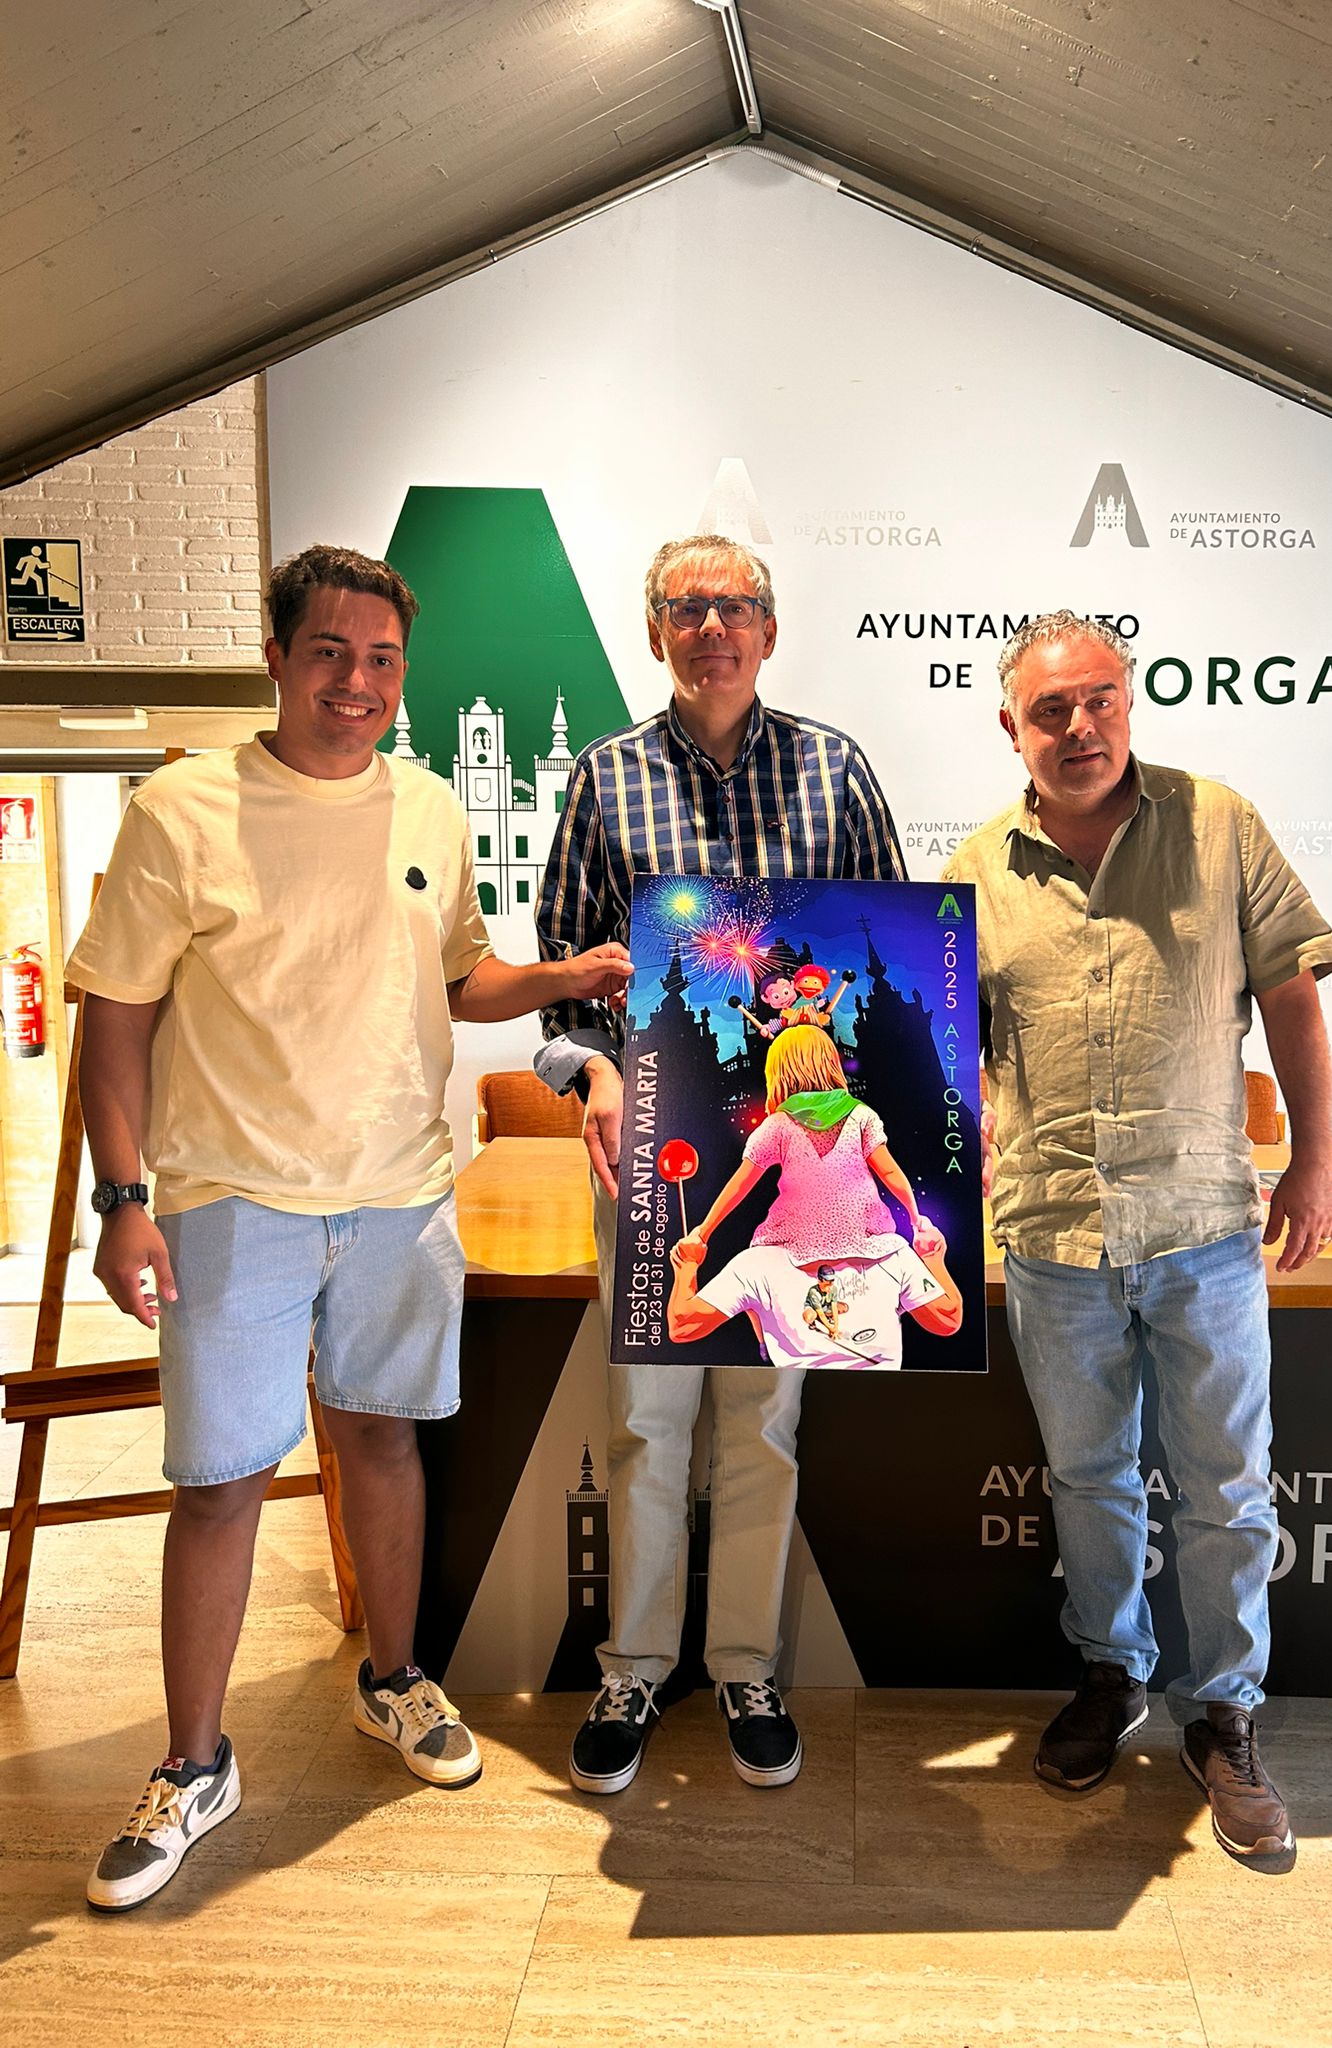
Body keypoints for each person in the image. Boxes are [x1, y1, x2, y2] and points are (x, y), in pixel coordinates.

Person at [68, 543, 629, 1912]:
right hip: (230, 1201)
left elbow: (460, 973)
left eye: (382, 660)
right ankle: (195, 1764)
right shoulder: (183, 811)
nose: (358, 682)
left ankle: (394, 1677)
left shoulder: (428, 809)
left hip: (398, 1192)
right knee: (218, 1486)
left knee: (383, 1435)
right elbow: (116, 1018)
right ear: (277, 656)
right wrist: (123, 1200)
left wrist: (563, 976)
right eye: (330, 653)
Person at [942, 610, 1332, 1859]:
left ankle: (1224, 1714)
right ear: (1009, 723)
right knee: (1088, 1476)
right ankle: (1113, 1675)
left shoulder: (1218, 822)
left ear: (1130, 699)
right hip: (1053, 1237)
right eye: (1050, 709)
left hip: (1205, 1226)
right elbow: (950, 1060)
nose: (1079, 726)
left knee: (1225, 1481)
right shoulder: (972, 868)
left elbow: (1290, 997)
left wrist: (1316, 1159)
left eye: (1099, 699)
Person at [535, 531, 905, 1795]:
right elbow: (562, 983)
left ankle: (745, 1661)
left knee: (767, 1424)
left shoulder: (836, 773)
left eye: (736, 605)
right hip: (658, 1162)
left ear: (770, 627)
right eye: (686, 608)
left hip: (809, 1172)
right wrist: (585, 1070)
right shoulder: (604, 778)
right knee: (647, 1422)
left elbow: (895, 952)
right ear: (654, 633)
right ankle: (635, 1663)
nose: (713, 627)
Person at [678, 1023, 939, 1268]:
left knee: (749, 1276)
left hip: (796, 1247)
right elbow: (890, 1172)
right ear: (831, 1064)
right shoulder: (860, 1115)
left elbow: (740, 1184)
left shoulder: (779, 1123)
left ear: (779, 1072)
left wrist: (703, 1232)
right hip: (865, 1240)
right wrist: (916, 1219)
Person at [666, 1226, 962, 1372]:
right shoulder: (758, 1262)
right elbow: (947, 1318)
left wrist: (687, 1266)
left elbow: (684, 1323)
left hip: (872, 1414)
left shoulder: (893, 1253)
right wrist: (932, 1258)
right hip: (793, 1410)